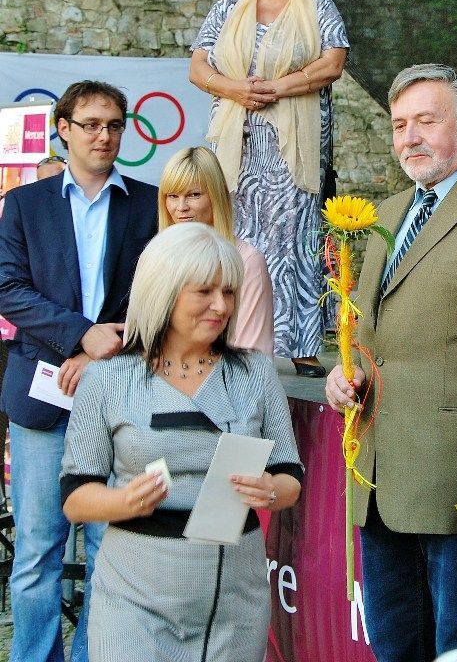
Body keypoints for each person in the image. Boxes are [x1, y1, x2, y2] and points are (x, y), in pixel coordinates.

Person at [325, 64, 457, 662]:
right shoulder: (387, 213)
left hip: (456, 485)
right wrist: (344, 373)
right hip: (378, 479)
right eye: (400, 125)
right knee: (395, 647)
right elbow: (368, 335)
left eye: (426, 120)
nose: (409, 138)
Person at [60, 223, 303, 661]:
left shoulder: (256, 373)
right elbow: (76, 499)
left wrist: (270, 490)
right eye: (204, 291)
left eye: (228, 292)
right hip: (132, 599)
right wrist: (123, 501)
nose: (221, 305)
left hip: (232, 601)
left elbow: (290, 477)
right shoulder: (107, 379)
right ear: (164, 292)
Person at [0, 80, 158, 662]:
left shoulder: (148, 203)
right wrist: (77, 334)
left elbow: (159, 298)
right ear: (63, 129)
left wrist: (98, 349)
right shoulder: (25, 204)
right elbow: (7, 288)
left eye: (114, 125)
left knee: (109, 550)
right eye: (90, 124)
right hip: (43, 399)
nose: (104, 136)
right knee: (36, 553)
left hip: (118, 396)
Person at [189, 0, 349, 377]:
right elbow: (198, 68)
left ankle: (302, 347)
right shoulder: (226, 9)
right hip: (235, 149)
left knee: (295, 241)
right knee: (234, 239)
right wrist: (235, 89)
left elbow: (333, 63)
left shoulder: (317, 6)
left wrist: (278, 88)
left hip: (293, 149)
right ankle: (230, 340)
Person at [159, 146, 274, 357]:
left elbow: (254, 358)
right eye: (173, 196)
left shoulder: (247, 261)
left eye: (194, 195)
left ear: (216, 196)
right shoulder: (155, 258)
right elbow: (138, 342)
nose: (181, 207)